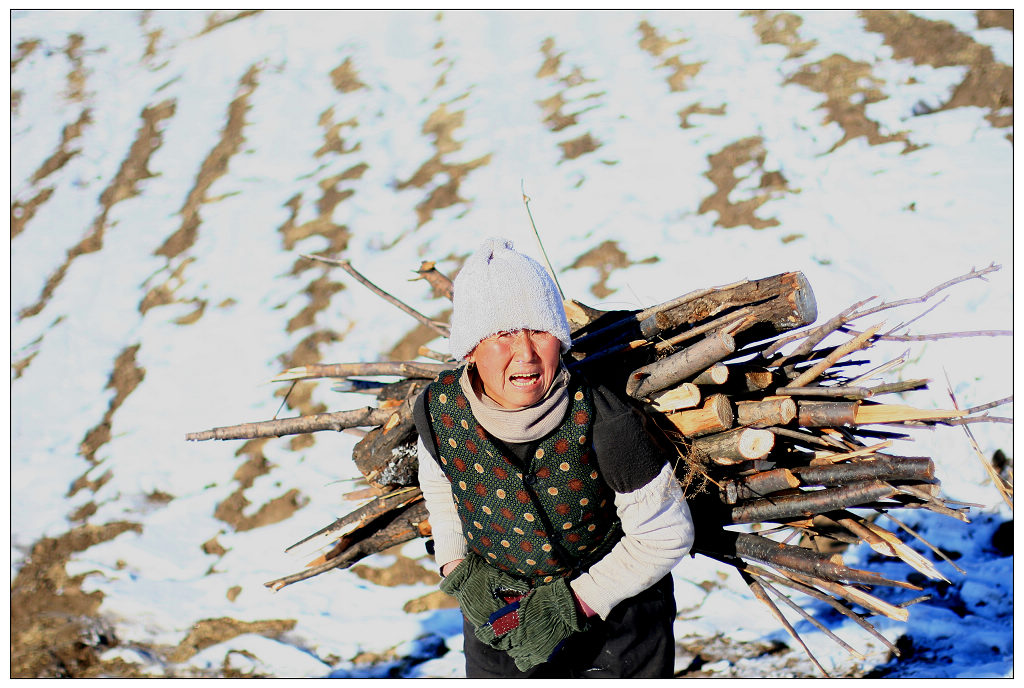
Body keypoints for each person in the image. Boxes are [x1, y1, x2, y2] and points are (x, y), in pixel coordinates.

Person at [413, 237, 694, 678]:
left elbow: (666, 533)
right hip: (499, 619)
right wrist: (458, 568)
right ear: (470, 349)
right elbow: (443, 490)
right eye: (503, 333)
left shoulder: (605, 418)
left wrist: (577, 601)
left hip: (618, 627)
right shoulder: (438, 412)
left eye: (539, 330)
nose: (525, 352)